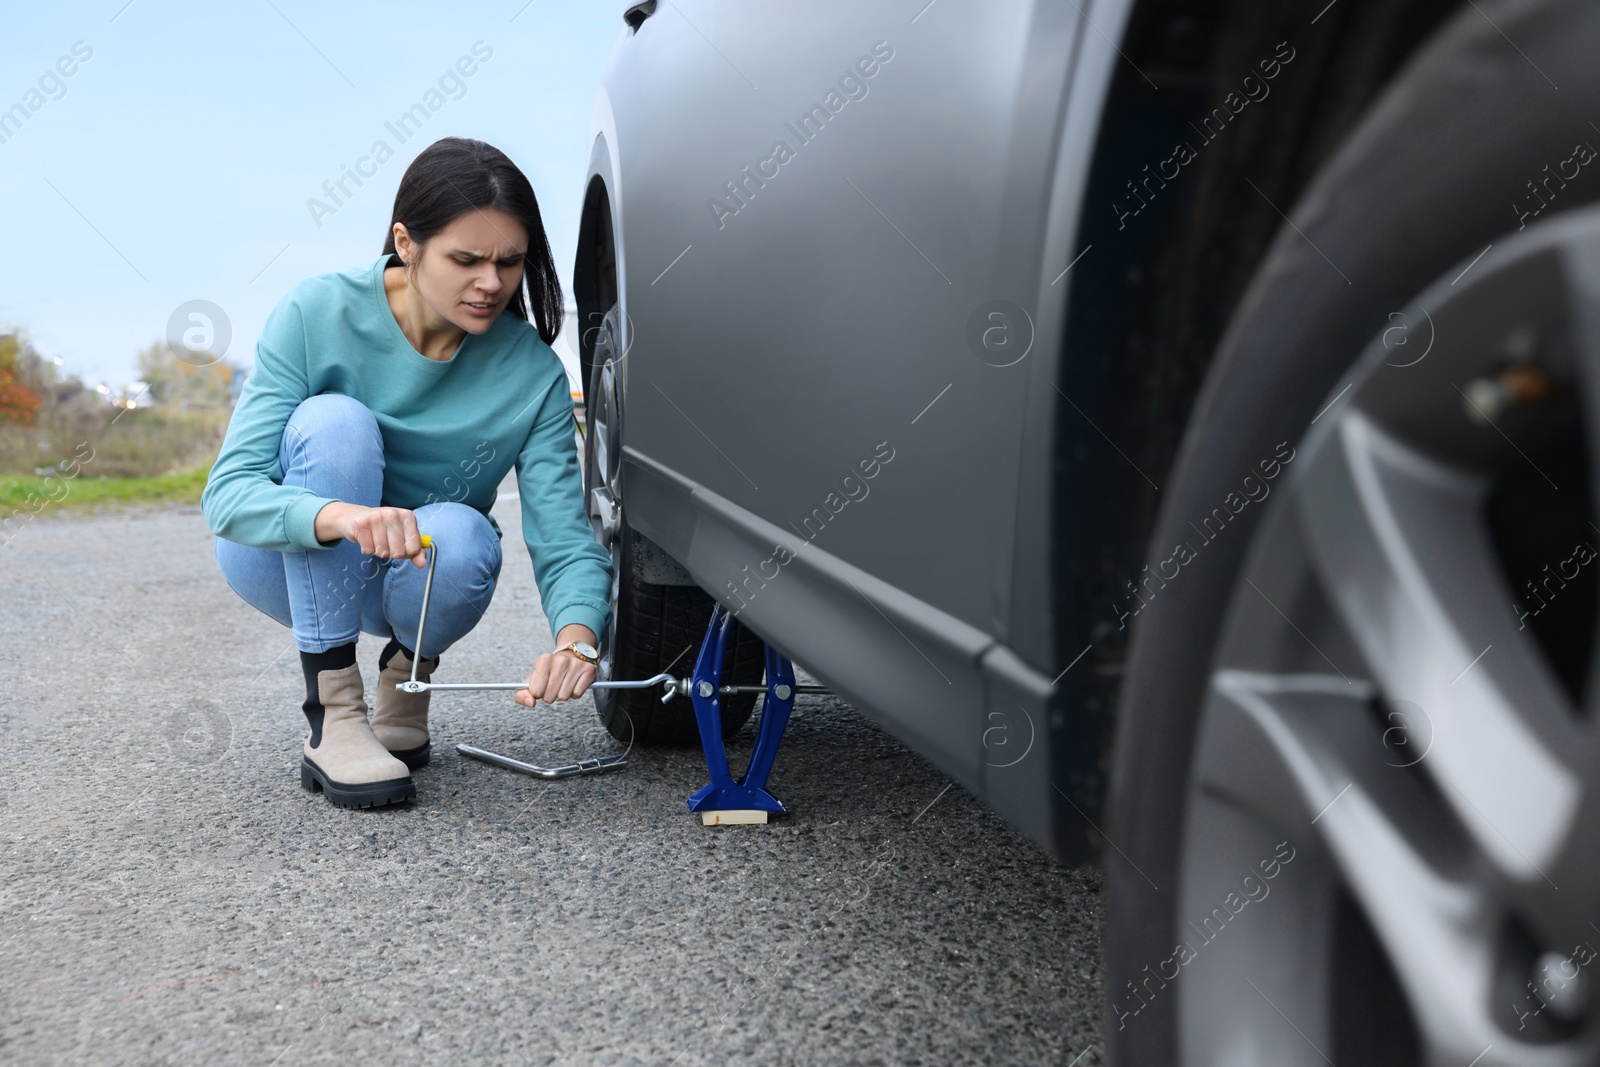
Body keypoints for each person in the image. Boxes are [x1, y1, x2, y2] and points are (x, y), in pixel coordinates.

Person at [202, 136, 613, 810]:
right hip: (281, 559)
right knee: (337, 424)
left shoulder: (533, 375)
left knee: (464, 534)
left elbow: (563, 537)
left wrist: (578, 637)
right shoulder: (316, 312)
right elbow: (229, 495)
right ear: (407, 242)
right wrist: (342, 516)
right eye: (466, 259)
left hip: (411, 585)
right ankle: (333, 713)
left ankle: (406, 682)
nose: (491, 282)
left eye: (510, 262)